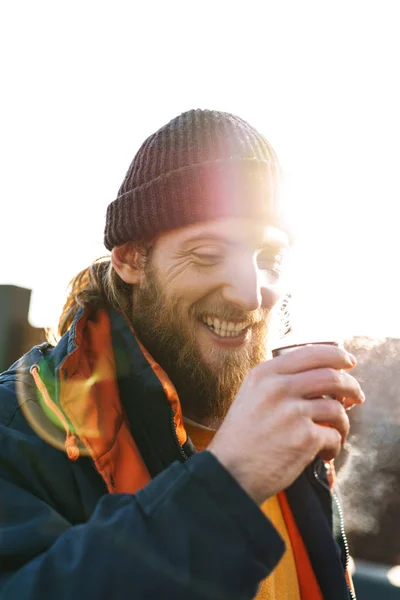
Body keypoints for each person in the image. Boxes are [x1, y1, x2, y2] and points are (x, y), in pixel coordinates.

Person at [0, 109, 364, 600]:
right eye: (209, 255)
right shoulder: (16, 425)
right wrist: (228, 484)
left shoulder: (286, 425)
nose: (249, 294)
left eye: (268, 258)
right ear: (130, 259)